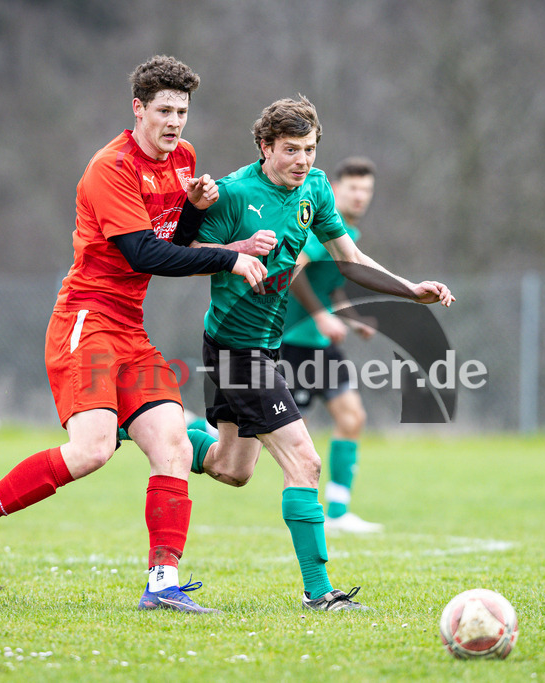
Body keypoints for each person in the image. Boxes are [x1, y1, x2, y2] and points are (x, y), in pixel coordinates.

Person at [0, 55, 266, 613]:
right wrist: (228, 256)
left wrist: (193, 210)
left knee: (174, 443)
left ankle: (162, 584)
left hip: (130, 326)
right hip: (86, 320)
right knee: (92, 450)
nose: (174, 122)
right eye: (164, 110)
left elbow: (171, 242)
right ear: (138, 108)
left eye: (182, 111)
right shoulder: (110, 167)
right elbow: (142, 253)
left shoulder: (183, 159)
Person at [187, 96, 453, 611]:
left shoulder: (315, 187)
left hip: (260, 346)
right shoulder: (234, 193)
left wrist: (409, 289)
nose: (302, 159)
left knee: (231, 468)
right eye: (291, 149)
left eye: (309, 149)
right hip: (236, 349)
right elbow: (189, 256)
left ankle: (155, 428)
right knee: (306, 464)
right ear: (265, 146)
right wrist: (238, 252)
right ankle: (319, 592)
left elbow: (348, 258)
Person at [279, 156, 382, 534]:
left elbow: (331, 285)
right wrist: (321, 316)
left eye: (366, 190)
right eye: (353, 188)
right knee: (274, 440)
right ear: (336, 189)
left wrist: (353, 319)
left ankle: (338, 510)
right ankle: (197, 430)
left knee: (352, 418)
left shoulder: (349, 234)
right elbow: (295, 268)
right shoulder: (320, 226)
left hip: (320, 345)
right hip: (291, 342)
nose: (360, 196)